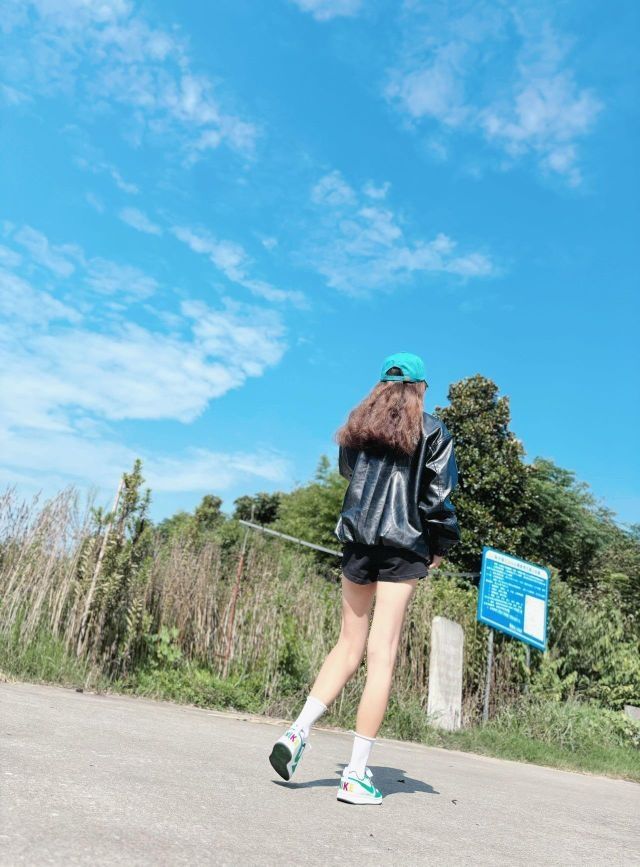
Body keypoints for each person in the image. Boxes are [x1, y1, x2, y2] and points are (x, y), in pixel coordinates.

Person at [268, 351, 461, 805]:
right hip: (402, 546)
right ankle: (355, 774)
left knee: (347, 645)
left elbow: (350, 474)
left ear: (381, 387)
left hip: (357, 542)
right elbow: (437, 497)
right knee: (382, 655)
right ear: (420, 388)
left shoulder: (358, 427)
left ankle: (297, 732)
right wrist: (439, 546)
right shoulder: (433, 430)